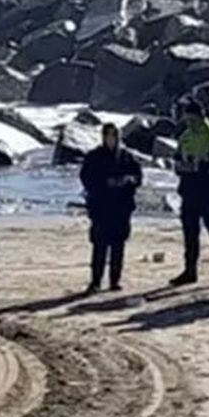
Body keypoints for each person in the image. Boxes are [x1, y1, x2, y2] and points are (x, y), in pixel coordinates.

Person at [170, 100, 209, 287]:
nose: (190, 123)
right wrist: (184, 167)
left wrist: (201, 168)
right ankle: (190, 271)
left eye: (193, 119)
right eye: (187, 119)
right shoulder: (185, 137)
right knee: (190, 234)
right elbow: (177, 161)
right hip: (189, 192)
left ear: (201, 117)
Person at [78, 123, 142, 293]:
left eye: (114, 135)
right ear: (103, 136)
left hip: (121, 207)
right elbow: (86, 178)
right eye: (107, 134)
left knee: (118, 245)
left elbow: (138, 177)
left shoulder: (127, 157)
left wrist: (128, 180)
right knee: (99, 244)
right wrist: (105, 183)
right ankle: (96, 281)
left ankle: (115, 281)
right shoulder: (94, 156)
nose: (111, 138)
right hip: (101, 206)